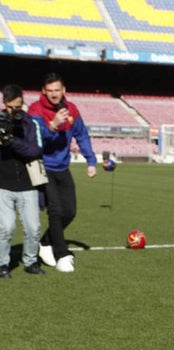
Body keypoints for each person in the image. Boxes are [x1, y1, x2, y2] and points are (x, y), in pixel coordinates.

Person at [27, 72, 97, 273]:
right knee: (56, 210)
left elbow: (82, 135)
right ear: (43, 91)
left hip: (62, 167)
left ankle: (45, 242)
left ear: (64, 90)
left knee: (70, 211)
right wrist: (53, 125)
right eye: (50, 91)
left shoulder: (71, 109)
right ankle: (62, 255)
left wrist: (91, 161)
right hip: (40, 165)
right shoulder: (35, 110)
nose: (54, 94)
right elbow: (33, 140)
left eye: (57, 90)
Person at [0, 84, 45, 278]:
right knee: (6, 228)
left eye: (17, 107)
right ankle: (2, 264)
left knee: (33, 228)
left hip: (28, 184)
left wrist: (11, 140)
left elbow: (34, 151)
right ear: (4, 103)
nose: (14, 111)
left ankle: (31, 261)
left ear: (22, 102)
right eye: (10, 107)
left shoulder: (31, 123)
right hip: (3, 183)